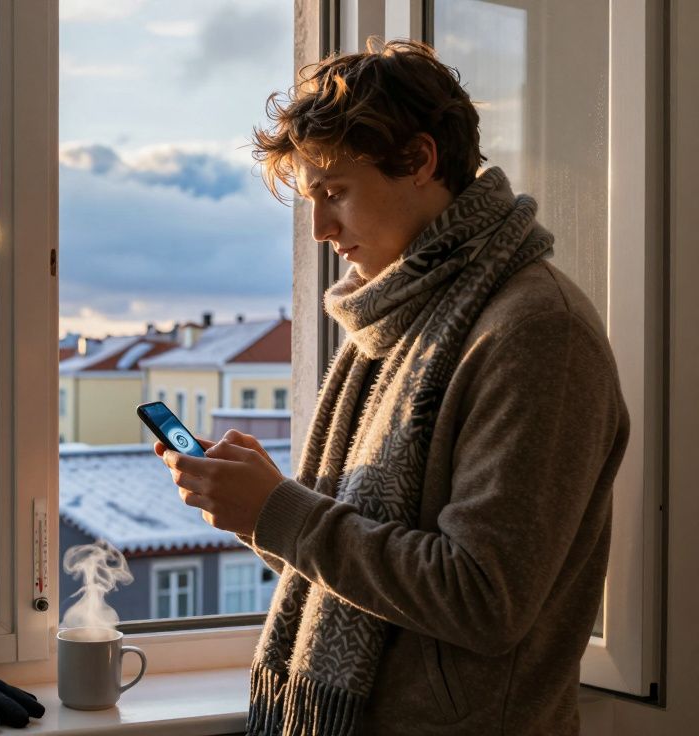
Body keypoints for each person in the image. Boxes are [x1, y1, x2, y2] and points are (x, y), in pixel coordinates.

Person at [155, 39, 629, 736]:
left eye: (334, 193)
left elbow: (481, 598)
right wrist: (256, 507)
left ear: (418, 162)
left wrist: (281, 511)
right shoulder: (392, 316)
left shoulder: (536, 334)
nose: (319, 229)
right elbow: (354, 550)